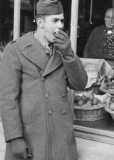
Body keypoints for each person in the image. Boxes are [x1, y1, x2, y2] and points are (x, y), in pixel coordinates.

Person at [0, 0, 88, 159]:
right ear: (40, 22)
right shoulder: (15, 50)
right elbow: (7, 99)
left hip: (61, 138)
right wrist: (14, 137)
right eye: (55, 20)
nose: (60, 25)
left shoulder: (63, 49)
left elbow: (80, 84)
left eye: (62, 20)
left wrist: (69, 54)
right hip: (31, 137)